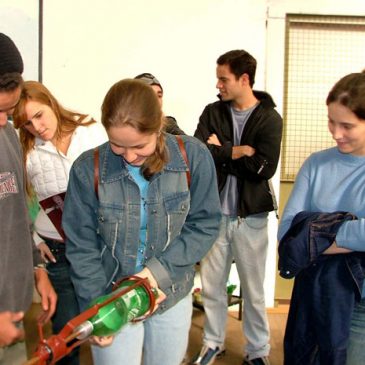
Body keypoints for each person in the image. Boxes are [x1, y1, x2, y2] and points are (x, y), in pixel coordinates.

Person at [62, 78, 222, 365]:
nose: (130, 156)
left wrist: (154, 274)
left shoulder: (193, 157)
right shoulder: (88, 169)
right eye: (117, 146)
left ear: (158, 126)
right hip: (111, 296)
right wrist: (96, 309)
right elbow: (81, 245)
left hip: (171, 294)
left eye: (139, 146)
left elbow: (205, 224)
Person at [192, 49, 283, 365]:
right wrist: (237, 152)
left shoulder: (269, 119)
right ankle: (212, 343)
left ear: (244, 79)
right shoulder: (212, 112)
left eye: (223, 78)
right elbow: (200, 155)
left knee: (254, 292)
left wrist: (222, 153)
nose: (218, 85)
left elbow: (264, 168)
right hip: (213, 216)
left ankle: (258, 351)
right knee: (212, 288)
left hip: (251, 218)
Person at [12, 80, 108, 365]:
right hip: (58, 249)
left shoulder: (91, 133)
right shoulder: (27, 153)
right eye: (27, 123)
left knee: (104, 322)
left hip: (99, 245)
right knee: (66, 334)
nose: (37, 127)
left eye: (39, 115)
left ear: (51, 103)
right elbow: (21, 206)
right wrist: (37, 242)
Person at [277, 72, 365, 365]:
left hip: (359, 307)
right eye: (331, 121)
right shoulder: (317, 163)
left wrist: (314, 231)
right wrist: (352, 232)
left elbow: (302, 236)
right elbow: (288, 236)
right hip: (313, 296)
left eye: (347, 125)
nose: (336, 133)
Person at [0, 33, 57, 364]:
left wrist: (37, 270)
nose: (4, 121)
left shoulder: (7, 133)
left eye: (9, 111)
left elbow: (17, 214)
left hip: (12, 312)